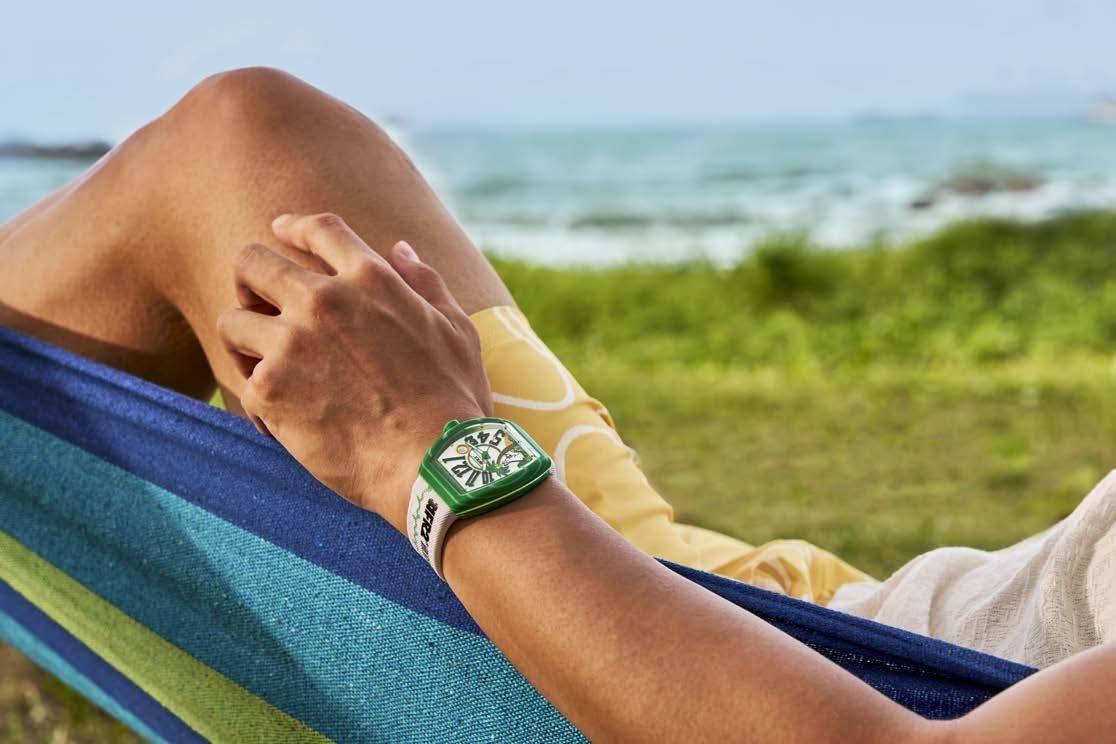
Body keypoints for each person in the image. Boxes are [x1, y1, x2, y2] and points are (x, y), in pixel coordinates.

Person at [1, 68, 1112, 740]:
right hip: (831, 617)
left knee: (237, 147)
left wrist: (431, 450)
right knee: (257, 136)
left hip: (773, 683)